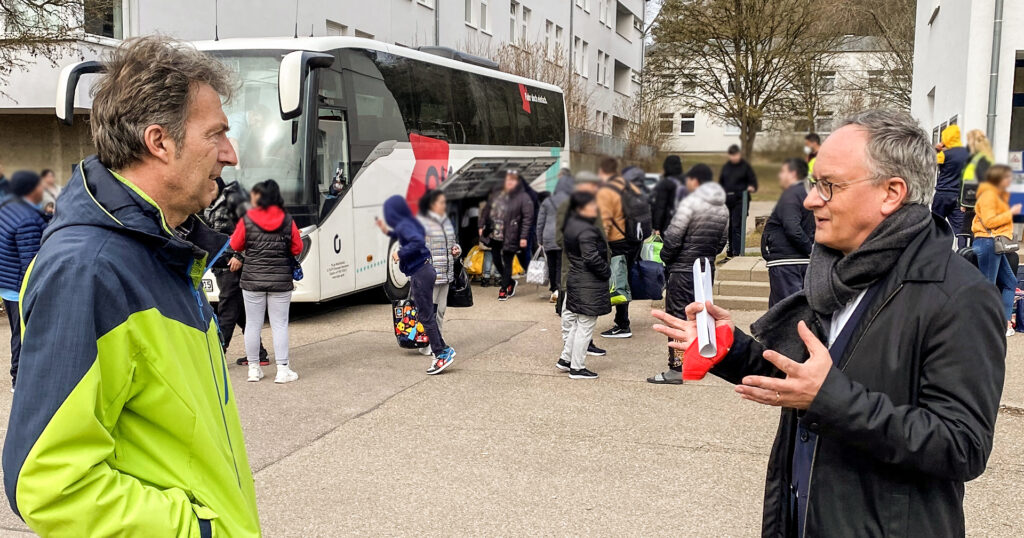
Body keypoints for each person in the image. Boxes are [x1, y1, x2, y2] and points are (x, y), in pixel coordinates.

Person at [653, 109, 1005, 537]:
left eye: (828, 186)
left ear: (891, 193)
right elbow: (802, 381)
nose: (809, 200)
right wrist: (728, 348)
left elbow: (961, 446)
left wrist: (832, 398)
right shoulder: (835, 276)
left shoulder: (959, 295)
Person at [2, 37, 260, 535]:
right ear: (159, 141)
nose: (231, 154)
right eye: (217, 134)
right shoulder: (90, 268)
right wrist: (198, 531)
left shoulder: (160, 249)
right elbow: (48, 481)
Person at [647, 164, 728, 385]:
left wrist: (666, 257)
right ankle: (700, 360)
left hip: (682, 270)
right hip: (705, 268)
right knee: (702, 316)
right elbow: (722, 241)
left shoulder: (689, 204)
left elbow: (672, 237)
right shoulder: (723, 208)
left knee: (677, 317)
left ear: (694, 181)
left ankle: (677, 368)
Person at [230, 179, 302, 383]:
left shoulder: (247, 218)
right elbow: (297, 248)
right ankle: (282, 370)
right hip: (280, 280)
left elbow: (236, 243)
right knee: (279, 324)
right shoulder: (287, 219)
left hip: (252, 279)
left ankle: (253, 369)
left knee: (253, 324)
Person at [377, 195, 456, 374]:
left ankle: (441, 353)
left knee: (426, 316)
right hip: (425, 270)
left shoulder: (405, 225)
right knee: (427, 314)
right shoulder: (409, 223)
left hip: (421, 272)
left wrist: (401, 253)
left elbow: (417, 242)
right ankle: (443, 348)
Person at [204, 176, 269, 366]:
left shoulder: (233, 197)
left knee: (226, 310)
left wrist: (240, 255)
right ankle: (258, 353)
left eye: (209, 183)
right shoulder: (211, 200)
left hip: (232, 265)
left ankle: (217, 356)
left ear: (216, 182)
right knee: (239, 311)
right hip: (221, 263)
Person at [0, 171, 48, 390]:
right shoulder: (27, 219)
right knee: (22, 337)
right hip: (21, 288)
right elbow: (30, 263)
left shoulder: (8, 209)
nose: (43, 190)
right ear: (32, 189)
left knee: (18, 334)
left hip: (8, 285)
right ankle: (18, 380)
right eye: (40, 186)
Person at [556, 191, 610, 380]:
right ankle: (577, 367)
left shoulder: (572, 226)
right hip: (588, 282)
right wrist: (606, 270)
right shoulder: (586, 229)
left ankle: (565, 359)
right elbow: (591, 257)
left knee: (578, 323)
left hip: (577, 278)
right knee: (585, 325)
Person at [972, 165, 1022, 337]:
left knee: (1010, 283)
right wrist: (1010, 213)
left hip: (994, 246)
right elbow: (989, 221)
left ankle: (1003, 323)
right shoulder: (988, 196)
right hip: (988, 243)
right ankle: (981, 326)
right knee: (988, 287)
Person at [596, 156, 643, 338]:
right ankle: (622, 320)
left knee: (618, 282)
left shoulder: (607, 191)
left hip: (616, 243)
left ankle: (623, 324)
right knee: (624, 281)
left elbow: (604, 222)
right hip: (633, 241)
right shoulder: (631, 187)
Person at [762, 158, 815, 307]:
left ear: (793, 174)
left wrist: (808, 249)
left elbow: (793, 228)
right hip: (796, 260)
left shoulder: (791, 195)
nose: (780, 176)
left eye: (783, 171)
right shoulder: (805, 193)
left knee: (786, 312)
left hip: (787, 262)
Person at [417, 189, 462, 355]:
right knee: (429, 312)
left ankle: (438, 341)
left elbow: (454, 243)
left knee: (440, 311)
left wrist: (457, 250)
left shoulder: (446, 222)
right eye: (440, 203)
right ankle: (426, 345)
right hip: (431, 275)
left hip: (446, 274)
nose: (444, 206)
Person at [480, 170, 535, 301]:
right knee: (496, 259)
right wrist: (480, 226)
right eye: (508, 180)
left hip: (511, 235)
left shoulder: (523, 197)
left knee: (508, 260)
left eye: (512, 180)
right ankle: (510, 281)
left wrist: (523, 237)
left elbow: (528, 218)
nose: (509, 183)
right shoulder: (497, 194)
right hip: (495, 234)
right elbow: (486, 211)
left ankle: (503, 288)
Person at [537, 168, 574, 303]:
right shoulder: (571, 200)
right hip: (563, 235)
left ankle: (553, 289)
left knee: (551, 264)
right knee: (561, 264)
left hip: (548, 236)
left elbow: (540, 222)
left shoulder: (548, 201)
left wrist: (539, 239)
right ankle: (560, 289)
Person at [719, 144, 758, 257]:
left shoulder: (745, 167)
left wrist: (751, 187)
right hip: (727, 200)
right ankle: (730, 251)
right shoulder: (726, 167)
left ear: (739, 155)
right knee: (728, 227)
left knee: (737, 226)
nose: (734, 157)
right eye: (732, 155)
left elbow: (753, 183)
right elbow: (721, 183)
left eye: (736, 155)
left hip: (740, 200)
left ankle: (737, 252)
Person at [959, 129, 994, 245]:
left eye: (969, 140)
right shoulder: (985, 158)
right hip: (976, 203)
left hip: (974, 204)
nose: (968, 144)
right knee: (974, 234)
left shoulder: (977, 160)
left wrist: (964, 203)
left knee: (970, 234)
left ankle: (968, 259)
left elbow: (969, 183)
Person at [933, 124, 968, 238]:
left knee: (936, 227)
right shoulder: (967, 154)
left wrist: (936, 149)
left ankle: (935, 252)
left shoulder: (944, 154)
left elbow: (928, 161)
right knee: (961, 230)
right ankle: (964, 253)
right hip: (959, 196)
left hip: (943, 194)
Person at [651, 155, 686, 235]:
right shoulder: (687, 180)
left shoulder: (665, 183)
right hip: (685, 222)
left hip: (669, 223)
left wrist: (657, 227)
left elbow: (660, 206)